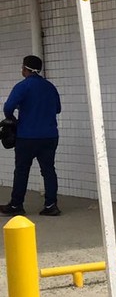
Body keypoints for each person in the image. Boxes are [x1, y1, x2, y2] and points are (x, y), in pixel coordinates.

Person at [1, 55, 62, 216]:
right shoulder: (50, 87)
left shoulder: (22, 86)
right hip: (49, 136)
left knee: (21, 170)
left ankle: (16, 205)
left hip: (27, 137)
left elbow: (8, 107)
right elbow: (57, 109)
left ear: (25, 69)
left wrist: (13, 119)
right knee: (48, 170)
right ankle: (51, 205)